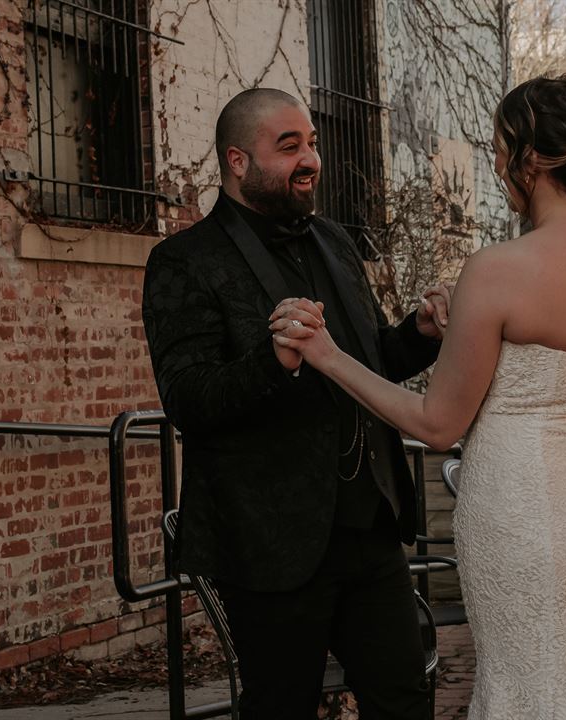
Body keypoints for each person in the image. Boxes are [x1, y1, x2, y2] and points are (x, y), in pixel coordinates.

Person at [274, 73, 566, 718]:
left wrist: (327, 355)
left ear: (531, 159)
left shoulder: (498, 269)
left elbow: (436, 423)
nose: (497, 165)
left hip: (521, 508)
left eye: (501, 149)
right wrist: (470, 327)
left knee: (526, 684)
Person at [142, 87, 451, 719]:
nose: (310, 159)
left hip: (370, 525)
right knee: (281, 708)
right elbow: (187, 398)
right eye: (289, 147)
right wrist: (272, 361)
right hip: (268, 543)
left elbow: (370, 361)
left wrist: (419, 335)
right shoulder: (183, 261)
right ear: (237, 161)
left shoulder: (335, 241)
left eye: (311, 143)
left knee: (405, 701)